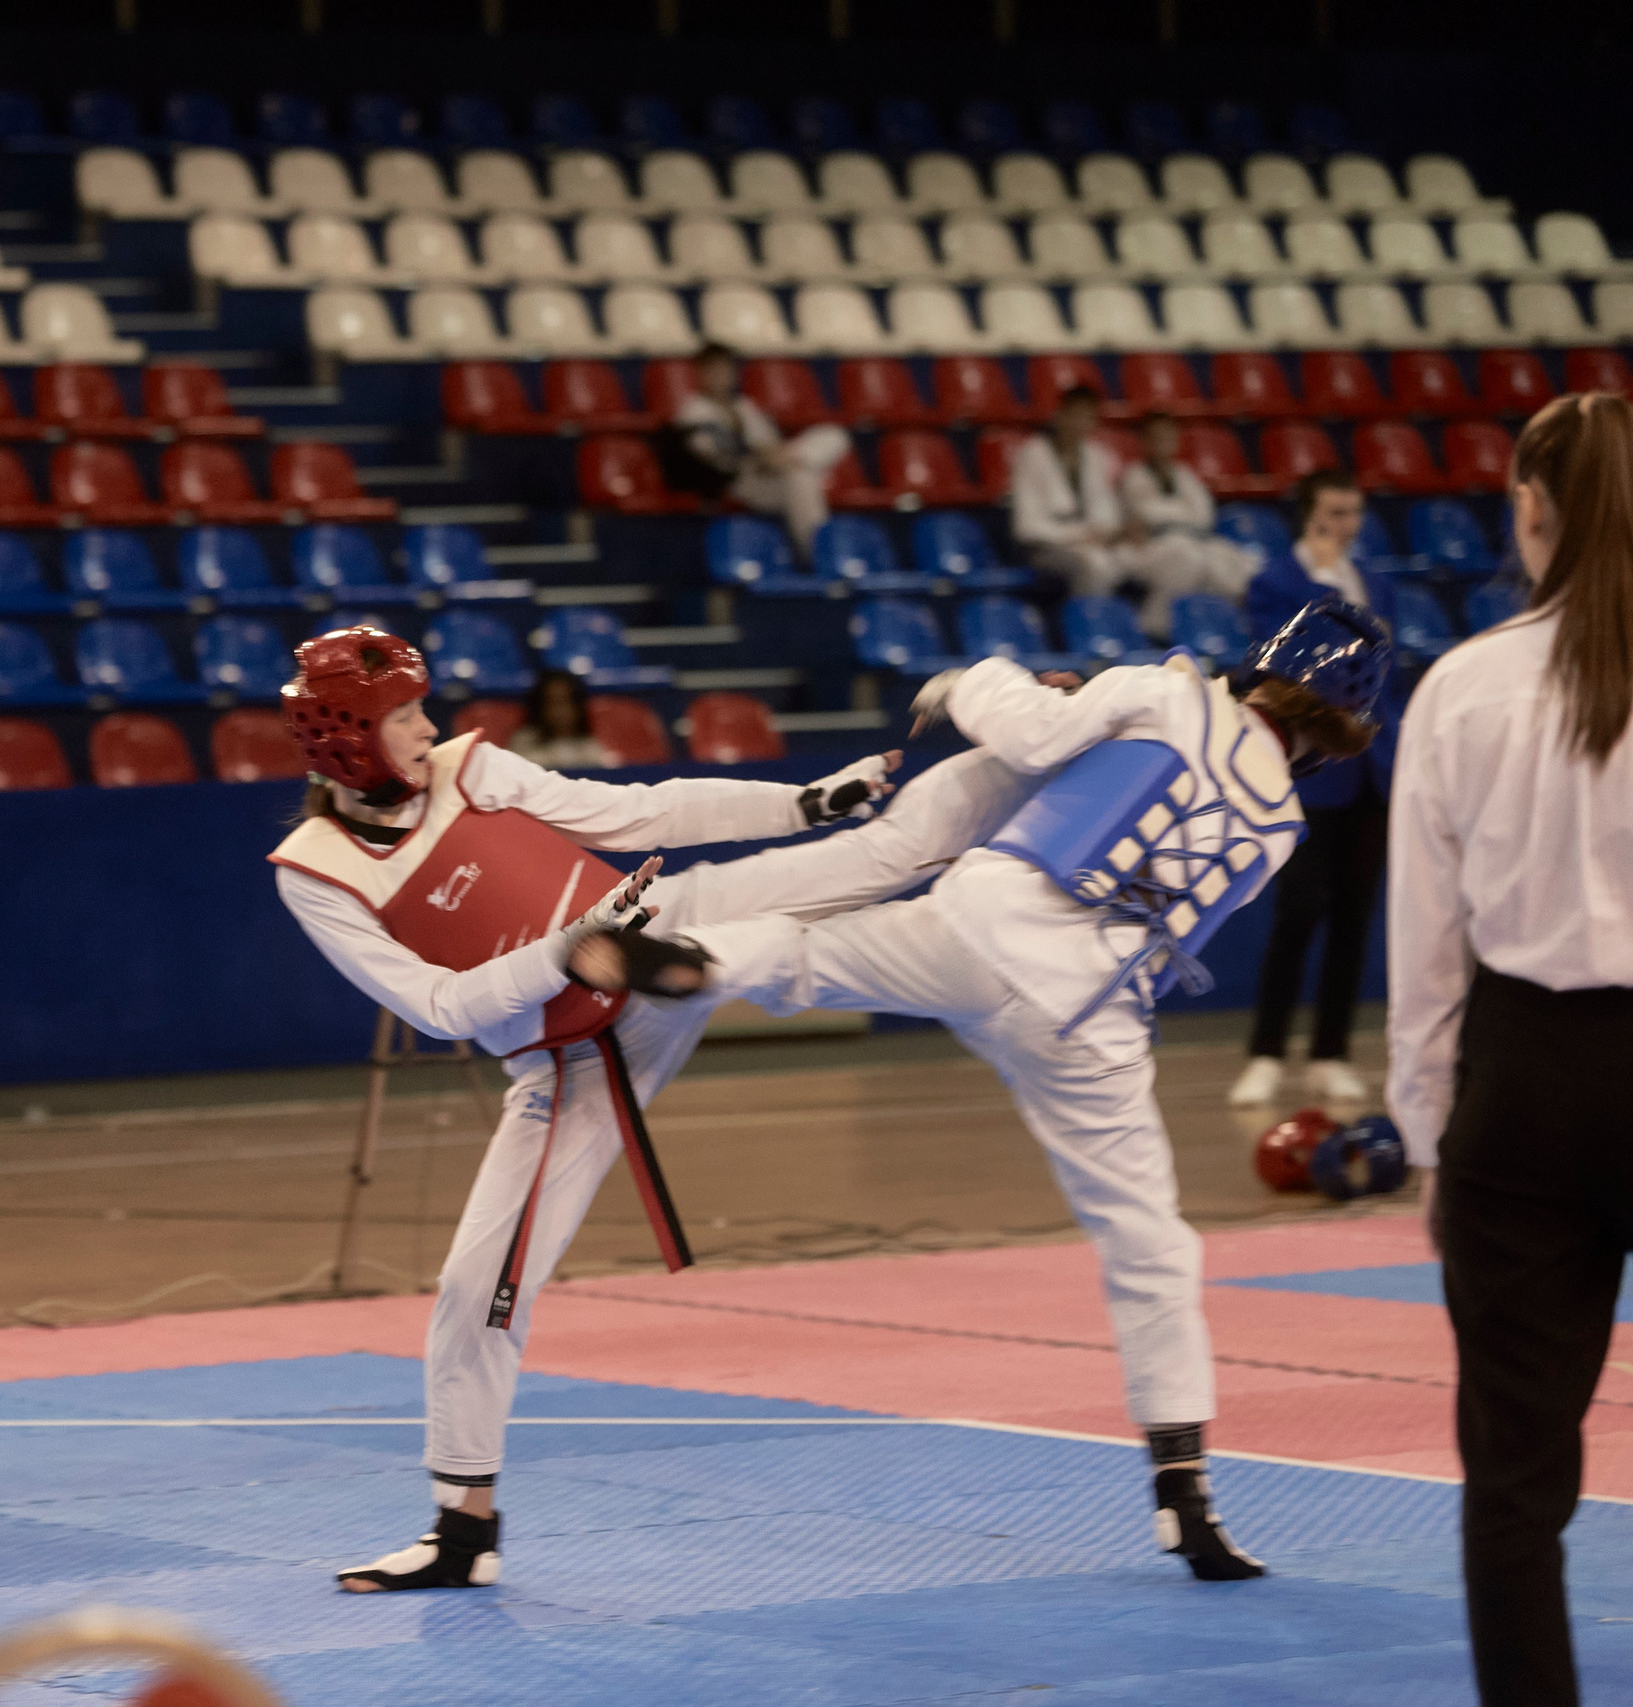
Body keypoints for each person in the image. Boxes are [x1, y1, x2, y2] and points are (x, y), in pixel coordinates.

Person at [271, 626, 1046, 1593]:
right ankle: (461, 1533)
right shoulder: (318, 870)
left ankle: (1042, 744)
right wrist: (570, 950)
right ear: (345, 741)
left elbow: (637, 814)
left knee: (880, 850)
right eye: (403, 718)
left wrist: (801, 802)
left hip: (664, 925)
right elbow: (437, 1008)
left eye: (422, 709)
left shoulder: (473, 766)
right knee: (474, 1293)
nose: (429, 729)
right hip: (572, 1063)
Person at [683, 597, 1393, 1580]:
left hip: (984, 927)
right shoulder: (1279, 826)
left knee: (806, 956)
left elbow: (1029, 736)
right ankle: (1183, 1490)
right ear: (1341, 738)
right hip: (1085, 1017)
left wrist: (968, 680)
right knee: (1149, 1241)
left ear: (1261, 667)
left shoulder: (1164, 692)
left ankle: (693, 959)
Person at [1390, 392, 1633, 1707]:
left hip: (1525, 1088)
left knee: (1516, 1474)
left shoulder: (1464, 688)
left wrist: (1432, 1137)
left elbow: (1424, 959)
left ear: (1530, 512)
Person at [1230, 469, 1394, 1107]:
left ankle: (1330, 1053)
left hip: (1368, 772)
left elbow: (1385, 678)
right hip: (1306, 774)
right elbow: (1291, 665)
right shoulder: (1276, 582)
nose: (1342, 525)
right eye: (1331, 512)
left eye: (1352, 512)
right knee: (1297, 913)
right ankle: (1266, 1053)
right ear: (1307, 515)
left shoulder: (1376, 585)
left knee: (1354, 916)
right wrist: (1327, 583)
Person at [666, 342, 853, 553]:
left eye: (725, 368)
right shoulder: (693, 412)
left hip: (775, 467)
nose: (720, 375)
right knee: (800, 478)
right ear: (700, 373)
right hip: (740, 480)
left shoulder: (744, 405)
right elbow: (713, 458)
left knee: (833, 434)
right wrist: (760, 457)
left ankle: (798, 459)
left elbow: (769, 441)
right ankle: (823, 554)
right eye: (713, 370)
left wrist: (776, 456)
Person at [1116, 412, 1258, 633]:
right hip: (1153, 546)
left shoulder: (1184, 474)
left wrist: (1171, 511)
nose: (1163, 445)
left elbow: (1204, 516)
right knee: (1187, 560)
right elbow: (1147, 514)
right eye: (1157, 438)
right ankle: (1154, 628)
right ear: (1144, 442)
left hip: (1193, 540)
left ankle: (1228, 628)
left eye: (1168, 438)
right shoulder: (1134, 475)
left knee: (1241, 562)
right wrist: (1182, 510)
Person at [1009, 386, 1132, 600]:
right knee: (1093, 566)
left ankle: (1140, 627)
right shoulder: (1032, 455)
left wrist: (1108, 532)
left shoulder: (1096, 456)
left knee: (1143, 558)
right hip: (1045, 547)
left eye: (1088, 418)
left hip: (1094, 543)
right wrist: (1079, 535)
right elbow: (1027, 526)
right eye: (1075, 416)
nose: (1080, 425)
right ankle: (1087, 629)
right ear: (1060, 415)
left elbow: (1105, 510)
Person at [507, 669, 617, 771]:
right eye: (552, 703)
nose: (560, 711)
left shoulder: (589, 746)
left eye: (566, 702)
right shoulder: (523, 742)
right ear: (539, 707)